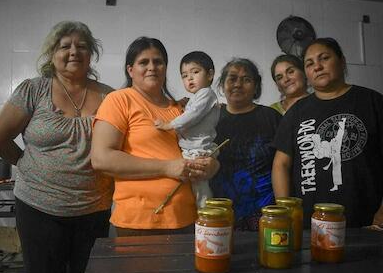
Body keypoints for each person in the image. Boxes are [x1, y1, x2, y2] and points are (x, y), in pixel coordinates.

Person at [0, 21, 114, 273]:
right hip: (38, 209)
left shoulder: (109, 96)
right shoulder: (33, 89)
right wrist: (27, 163)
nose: (73, 52)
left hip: (95, 210)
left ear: (91, 54)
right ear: (51, 53)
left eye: (81, 46)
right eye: (64, 46)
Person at [91, 37, 219, 237]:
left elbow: (202, 145)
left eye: (158, 62)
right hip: (138, 222)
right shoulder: (119, 100)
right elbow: (101, 159)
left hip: (187, 219)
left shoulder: (181, 109)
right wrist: (167, 167)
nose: (152, 67)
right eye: (144, 62)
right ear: (130, 70)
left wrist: (211, 166)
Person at [272, 37, 383, 228]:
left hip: (369, 223)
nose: (317, 67)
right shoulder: (297, 112)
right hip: (311, 226)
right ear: (306, 72)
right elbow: (280, 164)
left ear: (342, 61)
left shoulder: (372, 102)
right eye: (310, 63)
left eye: (324, 58)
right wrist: (287, 213)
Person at [210, 58, 281, 231]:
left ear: (256, 86)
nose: (238, 84)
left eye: (246, 79)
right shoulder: (211, 119)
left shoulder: (272, 117)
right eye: (232, 78)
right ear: (222, 84)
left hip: (265, 211)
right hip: (220, 211)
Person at [154, 51, 220, 208]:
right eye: (184, 75)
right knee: (195, 187)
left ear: (210, 74)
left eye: (195, 72)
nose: (189, 78)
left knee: (200, 189)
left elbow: (193, 114)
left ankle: (205, 215)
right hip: (192, 149)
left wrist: (169, 125)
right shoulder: (199, 96)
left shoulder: (206, 94)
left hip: (199, 149)